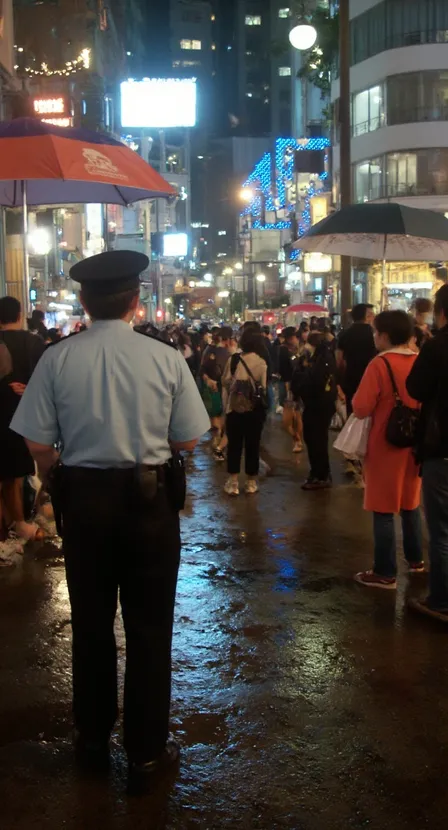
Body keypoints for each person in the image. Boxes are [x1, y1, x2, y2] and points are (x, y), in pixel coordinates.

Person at [10, 251, 210, 794]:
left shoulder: (57, 358)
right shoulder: (164, 357)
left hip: (85, 505)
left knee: (92, 626)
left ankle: (92, 742)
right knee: (150, 629)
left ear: (83, 301)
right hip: (149, 506)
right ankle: (146, 751)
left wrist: (62, 478)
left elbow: (35, 441)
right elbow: (189, 437)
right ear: (135, 300)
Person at [406, 281, 448, 623]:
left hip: (443, 450)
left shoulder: (438, 347)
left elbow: (414, 388)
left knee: (444, 532)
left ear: (443, 311)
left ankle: (444, 604)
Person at [352, 310, 423, 589]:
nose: (373, 337)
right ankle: (416, 561)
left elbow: (360, 407)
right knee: (410, 502)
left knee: (382, 506)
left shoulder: (380, 365)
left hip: (386, 443)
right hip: (416, 441)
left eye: (375, 332)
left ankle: (385, 572)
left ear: (383, 335)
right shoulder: (420, 360)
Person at [0, 296, 46, 542]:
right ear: (20, 315)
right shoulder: (34, 343)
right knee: (21, 474)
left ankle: (11, 527)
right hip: (28, 416)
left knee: (8, 477)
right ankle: (24, 521)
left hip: (2, 416)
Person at [221, 329, 267, 496]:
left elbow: (225, 381)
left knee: (234, 445)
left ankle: (233, 483)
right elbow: (263, 385)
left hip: (234, 409)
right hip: (254, 410)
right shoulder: (261, 362)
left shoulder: (234, 360)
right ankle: (251, 483)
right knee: (253, 445)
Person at [292, 332, 337, 490]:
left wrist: (302, 372)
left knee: (317, 440)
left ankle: (321, 475)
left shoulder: (323, 360)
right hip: (317, 405)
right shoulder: (321, 358)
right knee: (313, 440)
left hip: (319, 406)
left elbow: (313, 381)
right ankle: (317, 473)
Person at [336, 303, 376, 417]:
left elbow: (339, 360)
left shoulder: (344, 334)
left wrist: (339, 381)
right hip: (371, 377)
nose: (373, 316)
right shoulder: (375, 334)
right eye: (371, 314)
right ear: (367, 316)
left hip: (351, 378)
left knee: (352, 414)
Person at [201, 325, 233, 455]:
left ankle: (219, 438)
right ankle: (218, 437)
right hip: (216, 386)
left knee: (222, 413)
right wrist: (208, 380)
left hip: (226, 387)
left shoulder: (229, 352)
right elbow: (202, 369)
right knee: (216, 412)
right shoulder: (211, 350)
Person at [279, 326, 303, 452]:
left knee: (291, 419)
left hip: (293, 386)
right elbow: (284, 368)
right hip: (291, 385)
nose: (296, 338)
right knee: (293, 417)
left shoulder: (297, 349)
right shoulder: (287, 350)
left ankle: (297, 440)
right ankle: (297, 440)